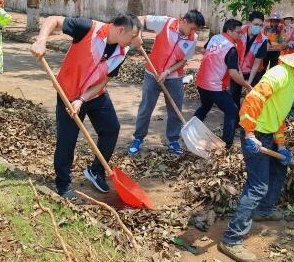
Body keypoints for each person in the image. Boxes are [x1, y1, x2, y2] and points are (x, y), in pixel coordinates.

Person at [218, 39, 294, 262]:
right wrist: (249, 133)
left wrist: (280, 145)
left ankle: (263, 210)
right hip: (256, 135)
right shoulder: (280, 75)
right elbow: (252, 99)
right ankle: (232, 239)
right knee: (257, 186)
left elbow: (278, 115)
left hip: (269, 135)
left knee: (280, 168)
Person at [30, 13, 143, 198]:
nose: (132, 42)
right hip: (68, 93)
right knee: (67, 140)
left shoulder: (122, 52)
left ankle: (96, 171)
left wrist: (82, 99)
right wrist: (41, 40)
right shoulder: (89, 28)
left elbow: (104, 81)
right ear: (121, 30)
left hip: (94, 95)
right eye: (131, 37)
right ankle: (63, 185)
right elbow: (54, 20)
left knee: (111, 129)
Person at [128, 10, 205, 156]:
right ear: (184, 21)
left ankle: (173, 140)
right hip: (152, 74)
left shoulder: (192, 38)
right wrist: (137, 35)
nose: (193, 32)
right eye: (192, 28)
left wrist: (167, 72)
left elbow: (184, 60)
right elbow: (140, 18)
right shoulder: (165, 22)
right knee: (146, 107)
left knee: (175, 109)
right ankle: (138, 139)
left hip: (174, 77)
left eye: (196, 30)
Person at [194, 19, 252, 148]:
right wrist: (247, 86)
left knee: (205, 106)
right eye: (238, 32)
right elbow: (233, 73)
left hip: (201, 81)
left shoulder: (215, 37)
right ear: (229, 31)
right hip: (214, 85)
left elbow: (205, 50)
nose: (240, 35)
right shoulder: (231, 48)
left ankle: (191, 130)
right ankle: (227, 145)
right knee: (232, 111)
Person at [229, 11, 268, 109]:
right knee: (234, 95)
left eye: (260, 25)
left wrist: (248, 84)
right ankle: (234, 120)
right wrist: (241, 76)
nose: (258, 27)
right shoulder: (238, 32)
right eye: (255, 24)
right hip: (237, 68)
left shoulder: (263, 40)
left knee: (253, 96)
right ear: (248, 23)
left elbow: (256, 63)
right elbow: (234, 54)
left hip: (253, 71)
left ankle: (249, 120)